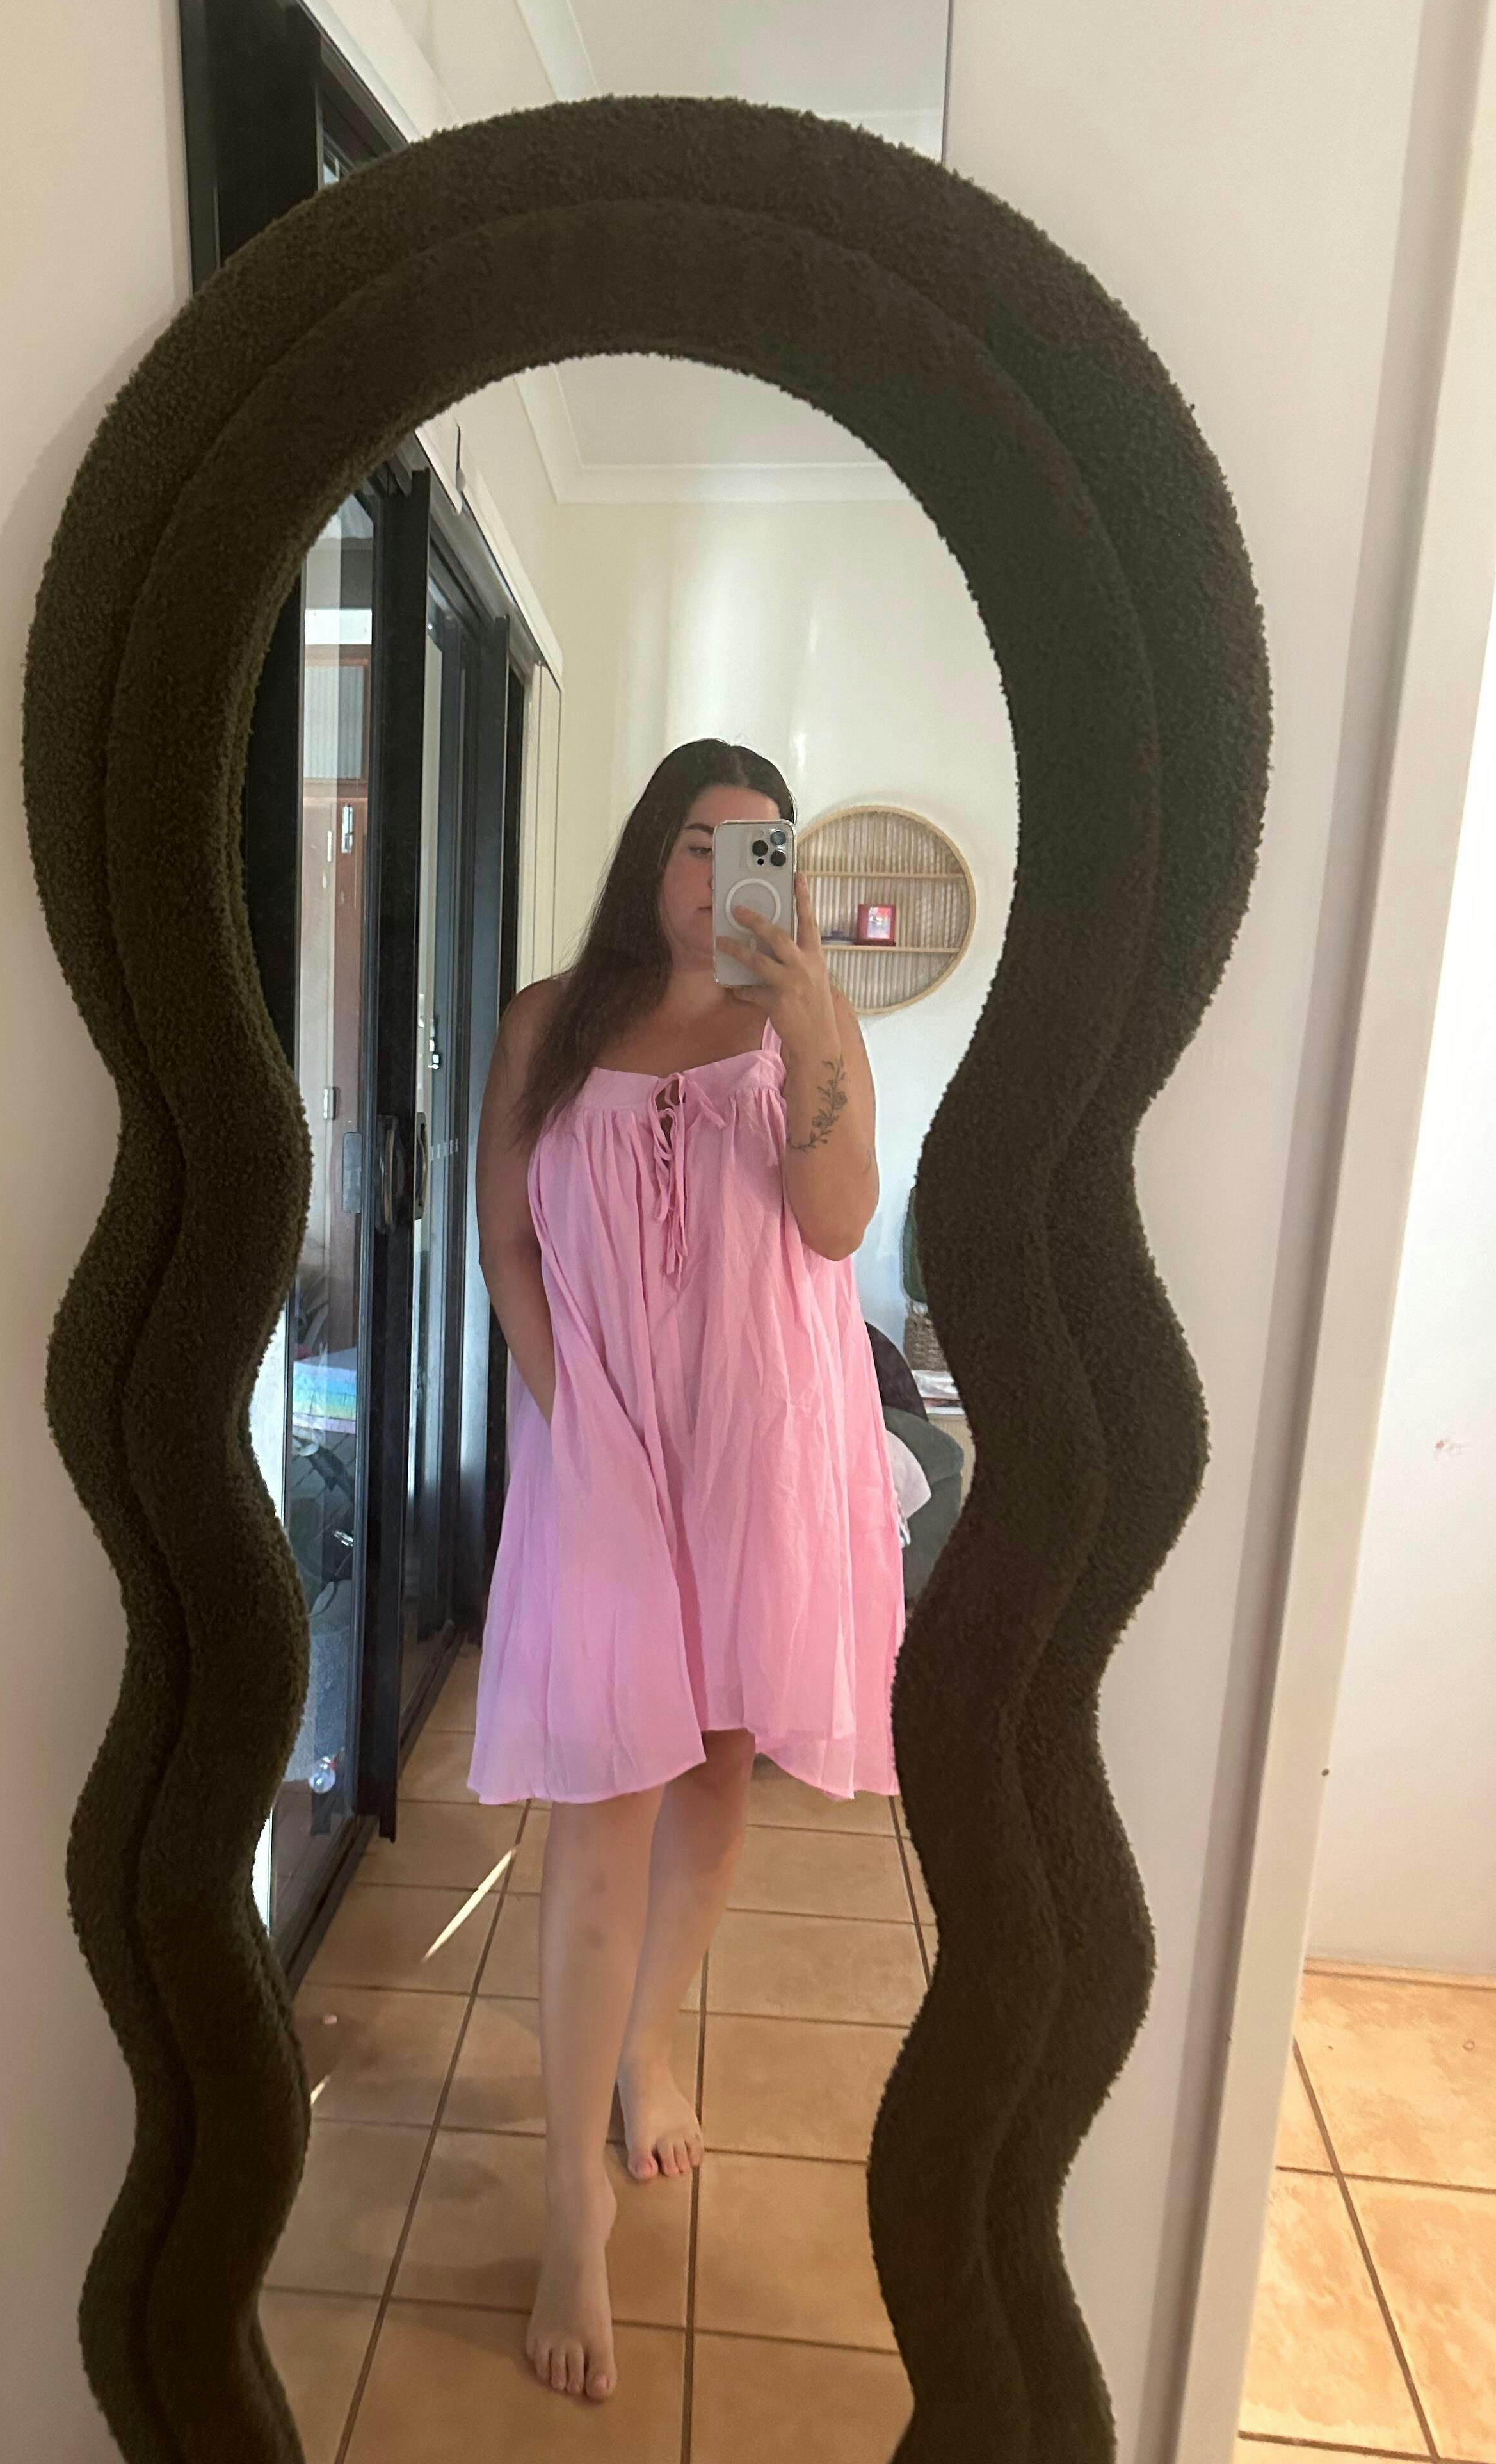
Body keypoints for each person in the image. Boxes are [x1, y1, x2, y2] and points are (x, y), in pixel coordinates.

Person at [467, 738, 906, 2404]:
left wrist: (813, 1027)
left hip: (755, 1452)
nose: (726, 879)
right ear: (651, 854)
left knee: (715, 1770)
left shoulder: (804, 1025)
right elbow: (507, 1239)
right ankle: (568, 2208)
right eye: (700, 847)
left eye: (759, 849)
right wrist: (563, 1405)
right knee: (601, 1808)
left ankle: (644, 2050)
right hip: (604, 1456)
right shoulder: (544, 1024)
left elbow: (837, 1225)